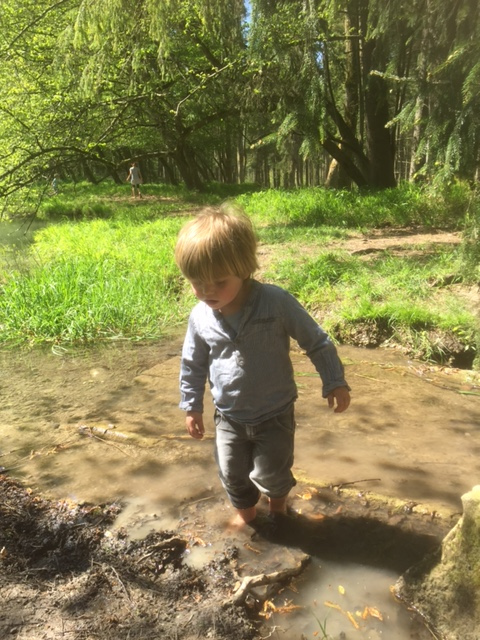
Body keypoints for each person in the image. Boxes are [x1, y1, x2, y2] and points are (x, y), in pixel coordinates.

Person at [175, 204, 351, 527]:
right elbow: (192, 363)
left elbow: (315, 340)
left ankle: (279, 511)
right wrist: (191, 406)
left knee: (274, 472)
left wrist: (334, 380)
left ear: (244, 269)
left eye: (218, 282)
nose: (207, 291)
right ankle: (247, 518)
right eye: (197, 282)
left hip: (275, 413)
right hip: (228, 416)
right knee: (231, 473)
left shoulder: (275, 302)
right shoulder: (200, 317)